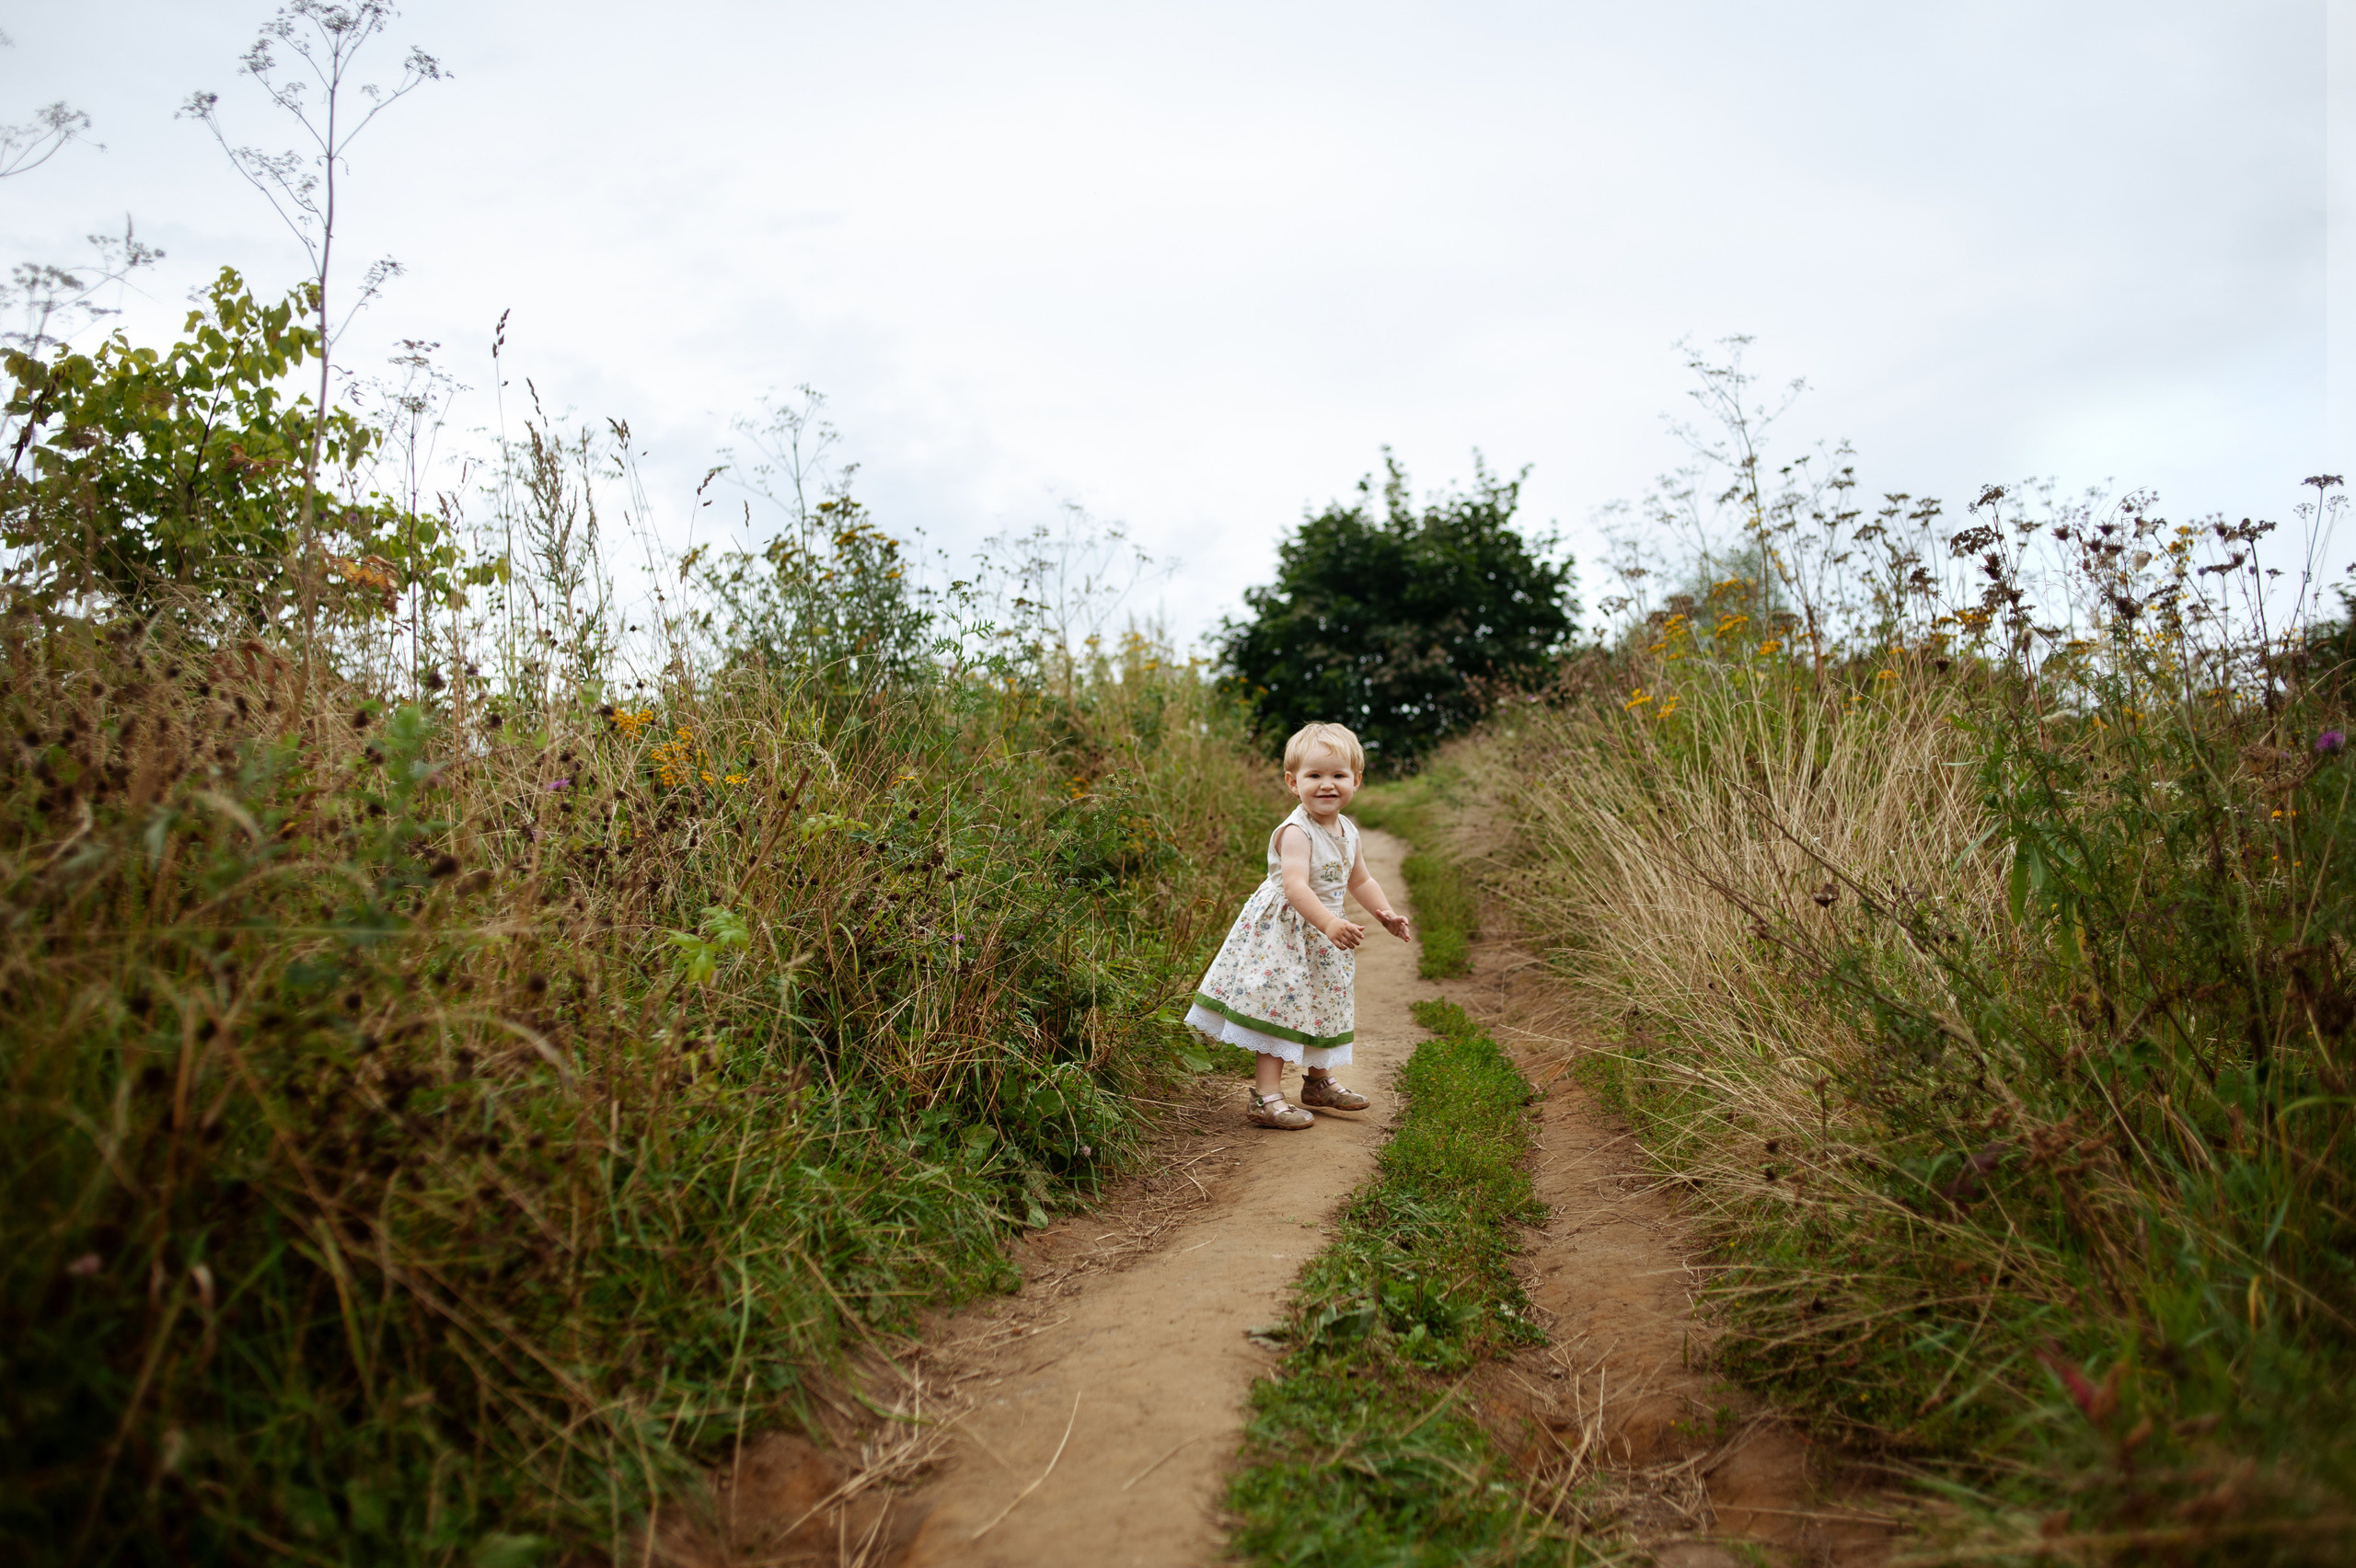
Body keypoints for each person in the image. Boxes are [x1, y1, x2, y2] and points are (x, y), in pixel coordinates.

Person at [1184, 721, 1412, 1129]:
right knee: (1279, 1005)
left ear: (1356, 781)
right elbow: (1294, 886)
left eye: (1338, 775)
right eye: (1314, 776)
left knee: (1325, 1003)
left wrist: (1385, 913)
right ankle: (1265, 1097)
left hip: (1323, 935)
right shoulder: (1296, 831)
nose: (1327, 785)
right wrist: (1328, 922)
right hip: (1286, 933)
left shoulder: (1348, 831)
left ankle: (1319, 1082)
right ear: (1293, 782)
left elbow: (1360, 879)